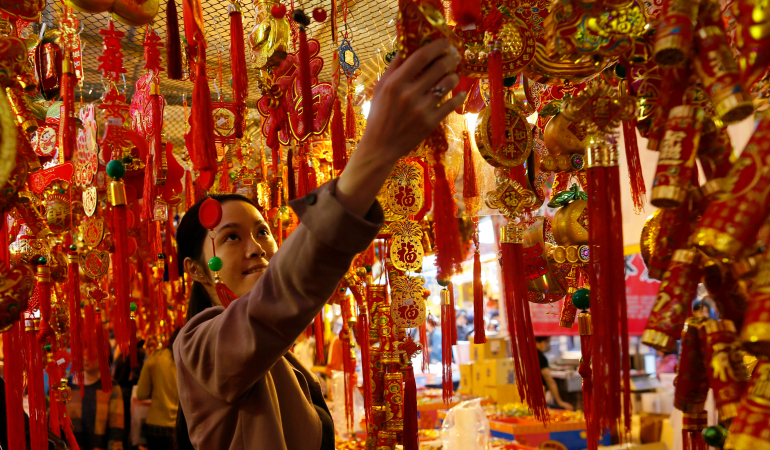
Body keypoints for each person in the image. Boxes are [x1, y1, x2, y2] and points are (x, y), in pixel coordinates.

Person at [173, 39, 467, 450]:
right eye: (231, 238)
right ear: (197, 269)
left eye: (262, 231)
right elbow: (279, 298)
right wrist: (374, 154)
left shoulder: (277, 356)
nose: (257, 247)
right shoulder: (201, 347)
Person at [67, 354, 125, 450]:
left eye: (92, 354)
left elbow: (116, 430)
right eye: (82, 353)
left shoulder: (111, 387)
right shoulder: (66, 385)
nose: (85, 357)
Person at [135, 329, 179, 450]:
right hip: (181, 425)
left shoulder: (156, 357)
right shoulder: (189, 358)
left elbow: (141, 394)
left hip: (156, 424)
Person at [112, 339, 145, 450]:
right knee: (129, 423)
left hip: (120, 390)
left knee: (122, 422)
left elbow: (115, 377)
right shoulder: (135, 357)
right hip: (129, 391)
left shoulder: (121, 358)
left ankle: (124, 444)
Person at [535, 336, 574, 411]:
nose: (549, 345)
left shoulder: (531, 354)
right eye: (548, 342)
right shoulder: (540, 356)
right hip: (538, 397)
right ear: (543, 342)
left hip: (532, 398)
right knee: (570, 410)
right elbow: (549, 380)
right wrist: (560, 402)